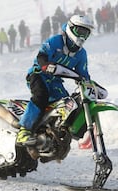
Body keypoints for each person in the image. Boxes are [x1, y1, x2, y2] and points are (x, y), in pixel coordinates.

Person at [16, 15, 94, 147]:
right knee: (41, 96)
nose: (82, 36)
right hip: (38, 74)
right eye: (80, 31)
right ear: (71, 28)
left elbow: (83, 73)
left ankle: (53, 133)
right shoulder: (56, 41)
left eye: (86, 33)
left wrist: (88, 84)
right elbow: (42, 56)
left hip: (55, 81)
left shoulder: (81, 53)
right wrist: (45, 64)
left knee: (67, 105)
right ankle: (24, 131)